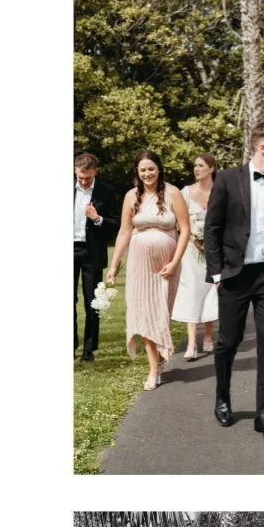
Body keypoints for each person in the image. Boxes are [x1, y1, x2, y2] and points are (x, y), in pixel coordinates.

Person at [203, 121, 264, 440]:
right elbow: (212, 228)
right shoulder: (228, 180)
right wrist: (216, 272)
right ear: (262, 148)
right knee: (227, 341)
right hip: (234, 274)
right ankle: (223, 399)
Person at [106, 150, 189, 389]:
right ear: (137, 172)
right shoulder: (131, 196)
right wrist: (114, 265)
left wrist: (174, 262)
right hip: (139, 265)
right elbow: (124, 231)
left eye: (151, 168)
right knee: (142, 312)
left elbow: (185, 230)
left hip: (166, 264)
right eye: (142, 170)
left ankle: (160, 358)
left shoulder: (172, 193)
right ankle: (153, 369)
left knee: (160, 312)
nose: (147, 173)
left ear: (159, 169)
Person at [73, 152, 119, 362]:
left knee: (92, 302)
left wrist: (98, 218)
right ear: (75, 170)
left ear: (95, 172)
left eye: (88, 178)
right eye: (80, 177)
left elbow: (116, 224)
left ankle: (88, 350)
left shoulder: (106, 192)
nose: (83, 181)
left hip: (92, 252)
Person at [174, 154, 219, 359]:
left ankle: (208, 335)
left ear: (211, 168)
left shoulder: (220, 191)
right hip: (191, 250)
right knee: (192, 290)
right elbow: (178, 222)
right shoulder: (185, 192)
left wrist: (211, 242)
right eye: (195, 166)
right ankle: (192, 342)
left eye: (201, 166)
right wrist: (193, 238)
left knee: (211, 290)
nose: (196, 169)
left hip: (214, 250)